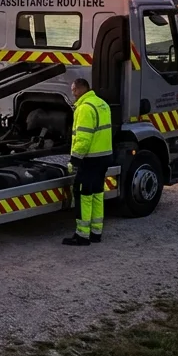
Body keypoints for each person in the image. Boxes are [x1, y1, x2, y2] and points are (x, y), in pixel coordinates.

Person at [63, 77, 112, 246]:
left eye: (73, 89)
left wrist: (74, 160)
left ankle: (82, 235)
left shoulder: (84, 108)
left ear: (79, 89)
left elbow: (83, 138)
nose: (72, 93)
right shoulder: (101, 104)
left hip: (90, 159)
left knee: (83, 194)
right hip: (104, 157)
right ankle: (96, 232)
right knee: (97, 193)